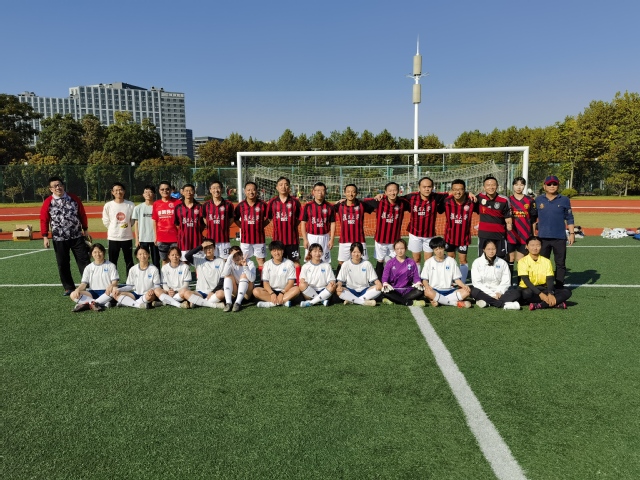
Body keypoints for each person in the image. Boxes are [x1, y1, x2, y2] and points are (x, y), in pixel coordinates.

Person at [40, 176, 91, 295]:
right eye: (55, 186)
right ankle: (69, 287)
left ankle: (89, 284)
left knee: (84, 261)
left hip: (77, 236)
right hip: (59, 238)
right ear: (51, 189)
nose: (58, 187)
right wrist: (45, 236)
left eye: (60, 185)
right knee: (63, 263)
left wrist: (85, 229)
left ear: (63, 186)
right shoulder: (48, 202)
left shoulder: (73, 198)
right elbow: (44, 219)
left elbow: (82, 214)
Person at [535, 175, 575, 288]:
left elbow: (569, 218)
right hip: (543, 237)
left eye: (554, 184)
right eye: (549, 184)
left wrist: (572, 233)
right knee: (542, 262)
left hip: (559, 237)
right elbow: (533, 218)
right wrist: (533, 234)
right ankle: (543, 285)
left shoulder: (564, 200)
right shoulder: (538, 200)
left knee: (560, 263)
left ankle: (559, 286)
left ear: (558, 186)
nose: (552, 186)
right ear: (544, 186)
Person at [400, 176, 450, 264]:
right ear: (419, 187)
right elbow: (395, 198)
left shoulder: (436, 197)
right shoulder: (411, 197)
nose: (427, 189)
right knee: (416, 259)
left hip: (429, 234)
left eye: (429, 187)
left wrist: (468, 193)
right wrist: (381, 195)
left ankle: (427, 273)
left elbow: (452, 192)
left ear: (432, 187)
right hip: (414, 234)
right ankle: (417, 273)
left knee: (429, 259)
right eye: (424, 187)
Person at [365, 181, 409, 280]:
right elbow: (362, 201)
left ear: (398, 191)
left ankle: (397, 280)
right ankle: (379, 281)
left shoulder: (403, 202)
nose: (392, 193)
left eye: (394, 190)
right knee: (380, 261)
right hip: (381, 239)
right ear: (385, 192)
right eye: (390, 191)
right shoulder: (379, 201)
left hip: (395, 240)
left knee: (397, 260)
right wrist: (344, 200)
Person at [438, 179, 478, 285]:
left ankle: (462, 282)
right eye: (455, 189)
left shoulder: (471, 201)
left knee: (463, 260)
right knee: (450, 258)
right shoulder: (446, 201)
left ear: (464, 190)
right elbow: (436, 200)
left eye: (460, 189)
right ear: (451, 190)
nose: (458, 192)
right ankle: (450, 279)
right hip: (450, 236)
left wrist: (469, 193)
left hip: (463, 237)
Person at [517, 236, 572, 310]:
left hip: (542, 288)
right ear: (527, 246)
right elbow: (526, 281)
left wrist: (550, 293)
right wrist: (540, 294)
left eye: (538, 245)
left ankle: (540, 305)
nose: (535, 248)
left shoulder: (546, 261)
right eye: (532, 245)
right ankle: (556, 303)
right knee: (526, 294)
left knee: (567, 292)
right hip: (529, 289)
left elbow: (550, 279)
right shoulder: (522, 261)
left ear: (541, 246)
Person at [266, 176, 302, 280]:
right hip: (277, 239)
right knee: (277, 261)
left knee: (295, 261)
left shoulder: (295, 202)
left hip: (292, 239)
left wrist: (292, 225)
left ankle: (298, 283)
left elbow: (300, 218)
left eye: (286, 184)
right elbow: (269, 218)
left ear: (289, 187)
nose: (283, 187)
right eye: (281, 185)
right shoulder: (272, 202)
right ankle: (277, 281)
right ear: (277, 187)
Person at [334, 184, 375, 273]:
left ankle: (366, 278)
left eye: (353, 192)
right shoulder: (339, 206)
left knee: (364, 262)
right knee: (342, 262)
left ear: (356, 193)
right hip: (344, 240)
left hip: (360, 240)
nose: (350, 194)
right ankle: (339, 279)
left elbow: (376, 207)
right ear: (344, 193)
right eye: (348, 192)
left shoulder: (362, 205)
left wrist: (381, 196)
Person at [421, 237, 472, 308]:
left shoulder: (451, 261)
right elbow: (424, 279)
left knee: (467, 292)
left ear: (444, 248)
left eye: (441, 248)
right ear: (433, 250)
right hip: (434, 290)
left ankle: (439, 300)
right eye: (436, 249)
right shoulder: (428, 262)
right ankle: (454, 303)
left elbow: (456, 279)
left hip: (449, 290)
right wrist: (427, 287)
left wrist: (464, 286)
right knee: (427, 292)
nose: (439, 251)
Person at [471, 239, 521, 310]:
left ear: (496, 249)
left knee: (516, 293)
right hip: (484, 292)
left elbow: (506, 281)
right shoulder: (477, 262)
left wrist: (499, 292)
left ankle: (487, 302)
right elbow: (477, 283)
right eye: (488, 249)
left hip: (499, 293)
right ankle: (503, 305)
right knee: (474, 292)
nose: (491, 251)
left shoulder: (502, 262)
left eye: (493, 249)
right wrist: (492, 294)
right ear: (484, 250)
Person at [70, 243, 119, 312]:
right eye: (95, 252)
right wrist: (77, 289)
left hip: (106, 292)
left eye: (100, 252)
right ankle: (97, 303)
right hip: (92, 293)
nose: (97, 254)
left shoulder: (111, 265)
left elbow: (115, 282)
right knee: (73, 294)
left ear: (103, 252)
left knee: (115, 289)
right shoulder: (88, 267)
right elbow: (84, 284)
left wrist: (111, 285)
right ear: (91, 254)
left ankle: (88, 304)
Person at [234, 181, 269, 272]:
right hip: (245, 239)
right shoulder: (240, 205)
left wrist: (261, 225)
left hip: (259, 238)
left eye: (253, 190)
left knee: (261, 260)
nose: (251, 192)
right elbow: (235, 218)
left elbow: (269, 218)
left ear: (257, 191)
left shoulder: (262, 205)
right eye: (248, 190)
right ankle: (245, 278)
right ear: (245, 191)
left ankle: (262, 279)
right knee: (244, 259)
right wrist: (242, 226)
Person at [111, 245, 161, 309]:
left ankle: (128, 303)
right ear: (137, 256)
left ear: (148, 255)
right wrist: (118, 289)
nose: (142, 256)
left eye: (145, 254)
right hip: (135, 294)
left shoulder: (154, 269)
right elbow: (130, 286)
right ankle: (138, 305)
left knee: (149, 297)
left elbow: (157, 286)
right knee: (116, 294)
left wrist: (152, 290)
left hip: (148, 294)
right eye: (140, 254)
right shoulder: (133, 269)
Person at [507, 177, 537, 281]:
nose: (519, 187)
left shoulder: (530, 200)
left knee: (520, 259)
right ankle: (509, 283)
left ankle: (521, 283)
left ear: (524, 186)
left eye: (521, 185)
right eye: (516, 185)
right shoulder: (508, 200)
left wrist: (533, 235)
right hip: (510, 235)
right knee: (510, 258)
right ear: (513, 186)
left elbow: (533, 219)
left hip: (524, 235)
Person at [181, 238, 226, 308]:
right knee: (186, 293)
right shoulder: (199, 260)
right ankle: (213, 305)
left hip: (214, 292)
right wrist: (201, 246)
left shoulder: (221, 261)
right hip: (200, 292)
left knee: (221, 294)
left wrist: (213, 292)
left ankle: (198, 302)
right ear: (203, 249)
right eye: (206, 248)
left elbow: (222, 280)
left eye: (210, 247)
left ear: (214, 248)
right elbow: (187, 256)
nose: (208, 250)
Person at [253, 241, 300, 307]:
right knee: (256, 291)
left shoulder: (289, 263)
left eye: (279, 250)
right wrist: (272, 293)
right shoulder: (267, 264)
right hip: (271, 291)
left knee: (297, 289)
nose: (277, 253)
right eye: (274, 251)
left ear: (283, 251)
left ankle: (271, 303)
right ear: (271, 252)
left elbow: (291, 283)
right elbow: (265, 283)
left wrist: (282, 293)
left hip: (285, 291)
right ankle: (283, 302)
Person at [380, 239, 426, 307]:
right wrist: (385, 283)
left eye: (402, 248)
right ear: (394, 250)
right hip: (394, 290)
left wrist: (418, 283)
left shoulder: (411, 262)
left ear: (406, 249)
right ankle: (409, 302)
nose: (400, 251)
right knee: (384, 291)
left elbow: (416, 276)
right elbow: (385, 277)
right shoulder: (390, 263)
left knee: (420, 291)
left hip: (408, 290)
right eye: (397, 249)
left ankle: (395, 300)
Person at [102, 182, 135, 274]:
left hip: (127, 237)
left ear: (124, 191)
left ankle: (130, 279)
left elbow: (132, 220)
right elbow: (105, 220)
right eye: (116, 190)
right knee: (112, 261)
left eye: (120, 190)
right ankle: (113, 279)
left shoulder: (130, 205)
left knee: (129, 260)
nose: (118, 192)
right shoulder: (108, 205)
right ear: (112, 192)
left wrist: (125, 227)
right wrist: (114, 228)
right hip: (113, 237)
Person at [477, 176, 512, 261]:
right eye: (488, 185)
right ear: (484, 187)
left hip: (499, 235)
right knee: (483, 260)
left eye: (493, 185)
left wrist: (509, 226)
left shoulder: (504, 200)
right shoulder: (479, 197)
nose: (491, 187)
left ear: (497, 186)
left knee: (501, 260)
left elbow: (508, 217)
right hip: (483, 235)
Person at [336, 242, 382, 306]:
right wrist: (338, 286)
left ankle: (352, 300)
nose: (356, 254)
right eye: (354, 252)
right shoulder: (345, 264)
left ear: (362, 253)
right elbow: (340, 281)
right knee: (338, 291)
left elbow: (375, 280)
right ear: (350, 252)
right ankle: (363, 302)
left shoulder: (367, 264)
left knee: (379, 288)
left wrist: (379, 284)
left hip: (364, 290)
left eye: (358, 252)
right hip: (350, 290)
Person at [300, 182, 335, 264]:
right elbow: (303, 223)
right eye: (318, 190)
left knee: (325, 261)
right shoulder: (307, 206)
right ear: (313, 192)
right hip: (311, 237)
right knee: (310, 260)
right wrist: (305, 239)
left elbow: (333, 223)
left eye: (322, 190)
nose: (320, 192)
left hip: (325, 237)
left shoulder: (330, 206)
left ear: (325, 192)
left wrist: (332, 239)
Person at [203, 180, 235, 260]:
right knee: (211, 260)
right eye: (213, 188)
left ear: (222, 189)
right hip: (210, 240)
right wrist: (210, 225)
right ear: (210, 190)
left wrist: (224, 225)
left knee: (225, 260)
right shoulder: (206, 205)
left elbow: (232, 218)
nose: (216, 190)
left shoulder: (228, 204)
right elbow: (204, 218)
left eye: (218, 188)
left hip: (224, 239)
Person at [152, 180, 181, 263]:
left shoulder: (178, 203)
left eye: (167, 189)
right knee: (164, 260)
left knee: (176, 260)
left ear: (171, 190)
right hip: (162, 238)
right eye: (162, 189)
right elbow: (154, 221)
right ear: (159, 191)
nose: (165, 191)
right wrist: (155, 237)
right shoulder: (156, 204)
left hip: (176, 238)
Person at [221, 245, 256, 312]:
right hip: (235, 292)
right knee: (228, 276)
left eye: (238, 254)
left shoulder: (250, 263)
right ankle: (228, 303)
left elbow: (252, 279)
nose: (236, 257)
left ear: (242, 254)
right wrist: (229, 258)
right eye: (234, 256)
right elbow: (225, 273)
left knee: (244, 276)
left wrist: (245, 266)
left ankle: (238, 303)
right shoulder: (231, 263)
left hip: (246, 294)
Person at [174, 183, 204, 260]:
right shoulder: (178, 208)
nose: (189, 192)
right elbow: (177, 224)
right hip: (183, 240)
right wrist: (184, 231)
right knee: (184, 262)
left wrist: (196, 230)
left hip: (197, 240)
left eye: (191, 190)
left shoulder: (200, 207)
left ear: (194, 192)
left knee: (199, 262)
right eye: (186, 191)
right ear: (182, 192)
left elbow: (203, 224)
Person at [132, 185, 160, 266]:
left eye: (150, 192)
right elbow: (136, 224)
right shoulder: (138, 208)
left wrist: (157, 237)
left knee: (156, 260)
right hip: (143, 238)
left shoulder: (158, 207)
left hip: (155, 238)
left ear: (154, 194)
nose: (148, 194)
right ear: (143, 194)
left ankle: (157, 273)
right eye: (146, 192)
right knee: (143, 259)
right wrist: (137, 239)